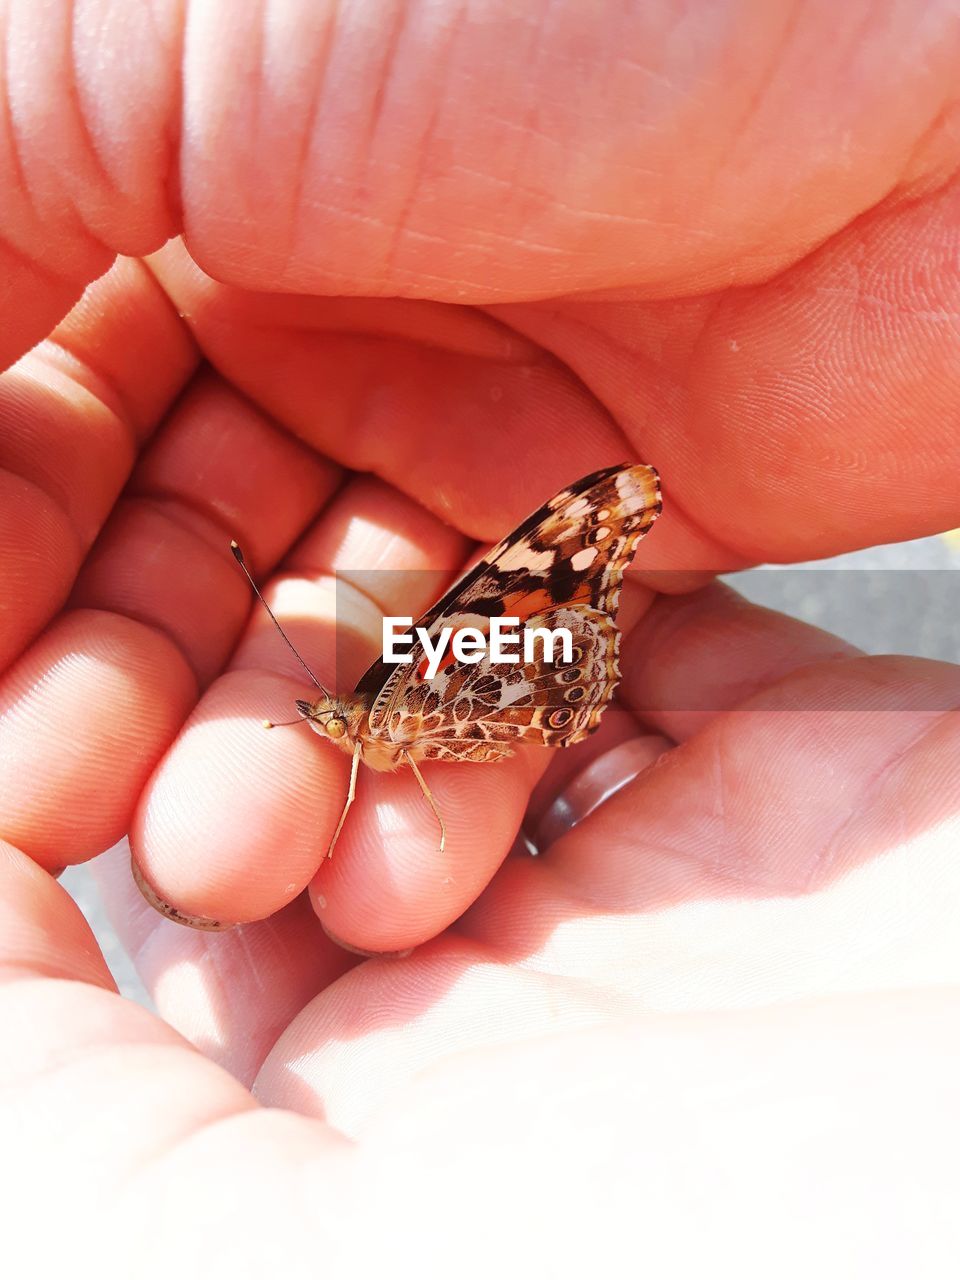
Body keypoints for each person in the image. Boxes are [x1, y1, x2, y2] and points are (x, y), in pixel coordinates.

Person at [1, 2, 959, 1272]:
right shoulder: (363, 712)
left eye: (325, 717)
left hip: (533, 677)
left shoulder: (398, 695)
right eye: (325, 718)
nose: (322, 719)